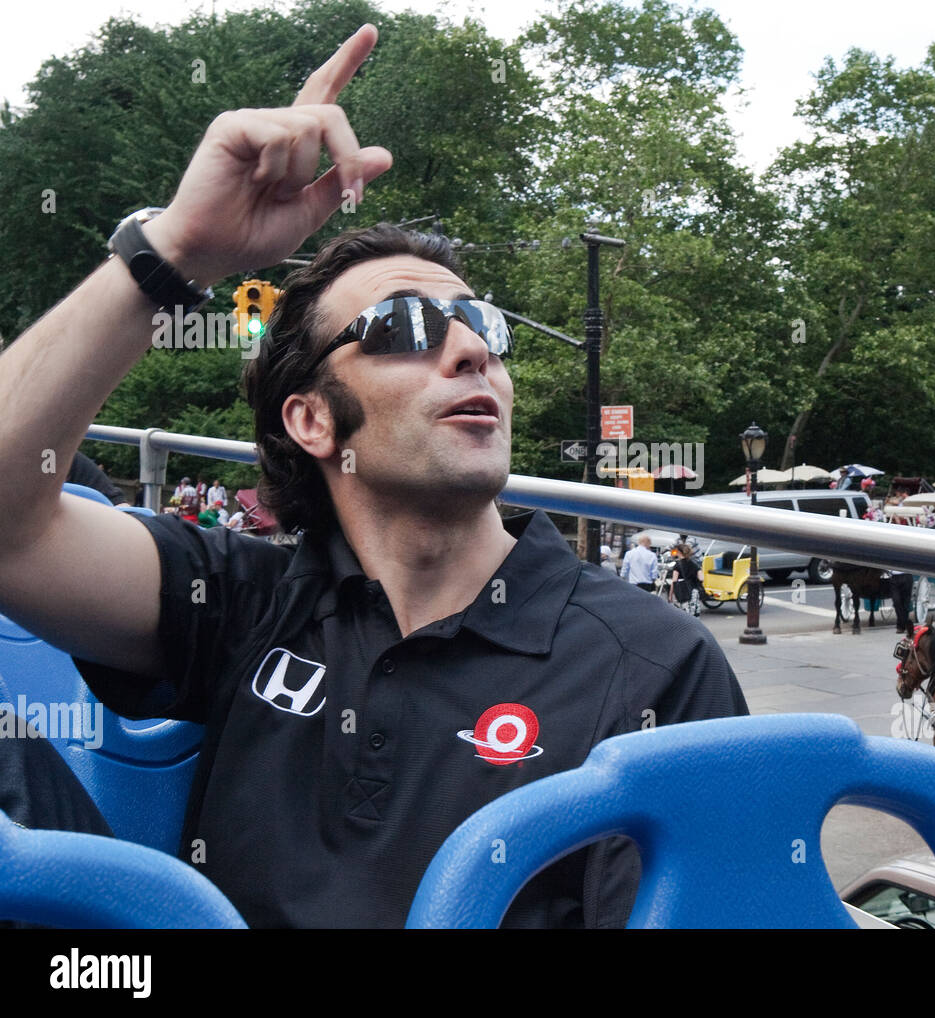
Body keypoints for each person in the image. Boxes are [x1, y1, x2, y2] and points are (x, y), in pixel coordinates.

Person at [0, 25, 745, 930]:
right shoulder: (243, 600)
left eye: (483, 325)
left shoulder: (654, 664)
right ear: (313, 421)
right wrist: (176, 253)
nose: (471, 348)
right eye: (404, 327)